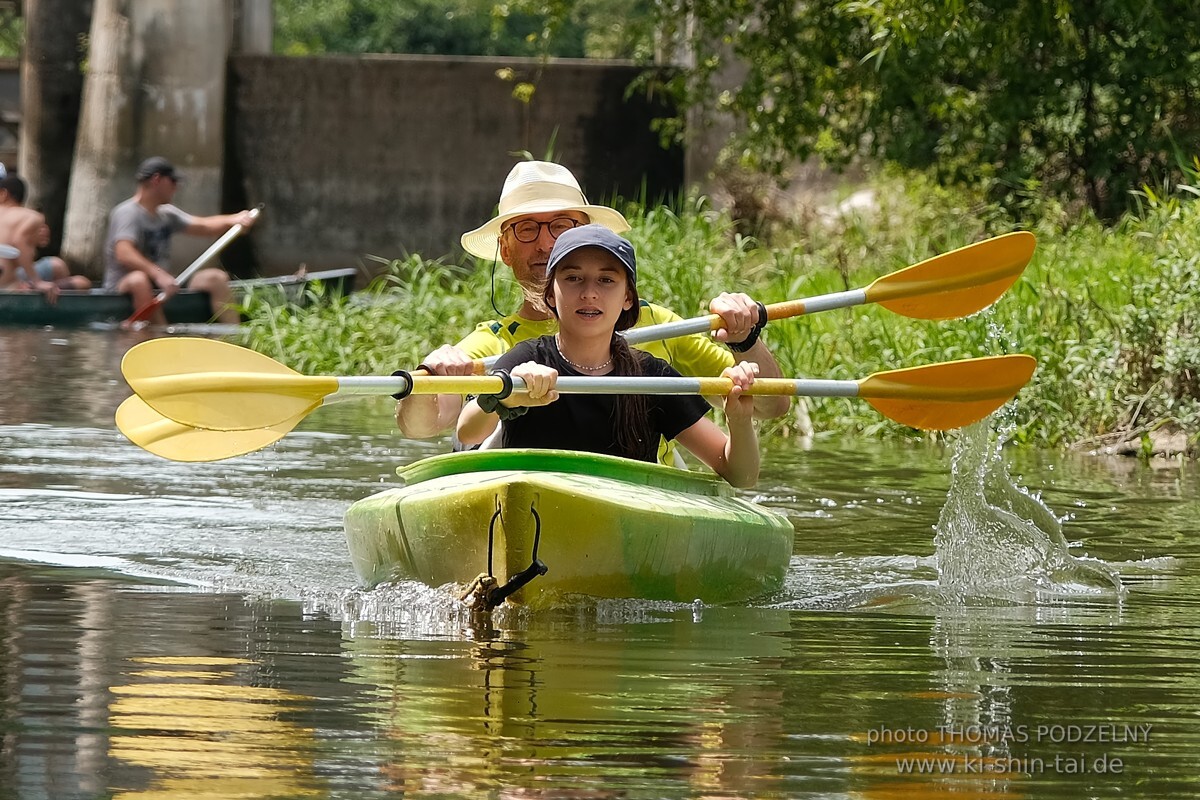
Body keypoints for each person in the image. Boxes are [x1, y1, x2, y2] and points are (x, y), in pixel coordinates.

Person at [397, 161, 789, 461]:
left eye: (562, 226)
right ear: (505, 249)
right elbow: (423, 425)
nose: (547, 243)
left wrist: (745, 339)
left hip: (643, 508)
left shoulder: (661, 327)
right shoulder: (494, 344)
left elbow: (771, 406)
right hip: (530, 502)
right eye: (527, 229)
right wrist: (427, 377)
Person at [457, 224, 761, 487]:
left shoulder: (651, 376)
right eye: (573, 279)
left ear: (628, 297)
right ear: (550, 294)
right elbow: (467, 430)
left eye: (606, 280)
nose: (589, 293)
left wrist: (739, 421)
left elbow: (740, 475)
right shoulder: (527, 358)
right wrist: (509, 397)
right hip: (531, 514)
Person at [104, 156, 257, 325]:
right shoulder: (127, 213)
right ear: (157, 179)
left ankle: (234, 337)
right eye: (173, 181)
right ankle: (161, 336)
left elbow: (204, 226)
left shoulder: (167, 214)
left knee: (216, 277)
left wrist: (234, 220)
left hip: (164, 286)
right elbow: (124, 253)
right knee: (139, 279)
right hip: (124, 286)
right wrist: (159, 275)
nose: (176, 187)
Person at [0, 174, 62, 302]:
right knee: (79, 281)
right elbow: (19, 241)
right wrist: (37, 282)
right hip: (7, 287)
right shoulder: (31, 217)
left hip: (8, 281)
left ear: (4, 194)